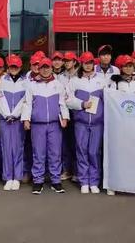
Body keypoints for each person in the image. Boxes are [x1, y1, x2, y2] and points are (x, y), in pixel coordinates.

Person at [21, 58, 69, 195]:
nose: (45, 69)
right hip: (38, 125)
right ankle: (38, 181)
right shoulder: (32, 85)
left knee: (55, 153)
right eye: (42, 67)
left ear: (51, 68)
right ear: (39, 69)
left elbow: (62, 103)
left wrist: (65, 117)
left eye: (47, 67)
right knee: (38, 153)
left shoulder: (58, 84)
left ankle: (55, 181)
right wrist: (26, 119)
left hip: (54, 124)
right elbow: (27, 103)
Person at [66, 52, 107, 195]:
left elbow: (109, 99)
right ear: (81, 64)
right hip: (81, 122)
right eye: (85, 62)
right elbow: (68, 100)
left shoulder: (102, 80)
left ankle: (94, 181)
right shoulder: (74, 81)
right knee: (81, 150)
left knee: (94, 152)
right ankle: (84, 181)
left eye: (90, 62)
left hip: (97, 123)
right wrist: (82, 104)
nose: (88, 65)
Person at [0, 54, 27, 191]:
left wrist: (15, 114)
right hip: (5, 119)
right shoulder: (3, 79)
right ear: (8, 67)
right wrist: (6, 114)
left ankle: (17, 177)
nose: (14, 68)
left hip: (18, 119)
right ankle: (8, 177)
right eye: (11, 66)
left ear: (20, 67)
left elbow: (25, 100)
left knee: (18, 148)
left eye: (16, 66)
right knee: (7, 148)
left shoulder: (25, 81)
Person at [58, 51, 79, 181]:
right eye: (65, 61)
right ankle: (67, 170)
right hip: (64, 110)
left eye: (69, 60)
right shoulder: (60, 76)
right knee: (65, 142)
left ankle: (77, 171)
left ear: (74, 62)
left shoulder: (80, 75)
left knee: (77, 142)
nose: (67, 63)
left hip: (77, 110)